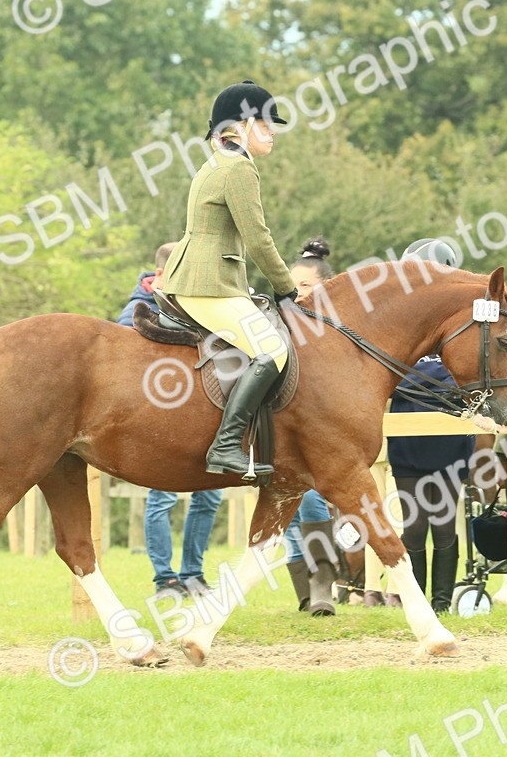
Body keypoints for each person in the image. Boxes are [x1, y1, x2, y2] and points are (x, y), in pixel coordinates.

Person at [163, 80, 298, 478]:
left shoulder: (220, 161)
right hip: (206, 283)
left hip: (205, 276)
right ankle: (225, 445)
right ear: (240, 124)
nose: (273, 131)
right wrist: (287, 288)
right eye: (265, 123)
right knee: (273, 349)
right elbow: (258, 237)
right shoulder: (239, 168)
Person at [117, 242, 224, 597]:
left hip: (202, 414)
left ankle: (193, 574)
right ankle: (165, 579)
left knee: (209, 498)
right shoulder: (139, 307)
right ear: (162, 274)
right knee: (161, 497)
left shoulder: (194, 302)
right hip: (161, 420)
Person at [384, 239, 474, 613]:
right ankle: (417, 602)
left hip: (450, 439)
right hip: (407, 439)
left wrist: (416, 378)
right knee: (415, 526)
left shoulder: (456, 313)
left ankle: (441, 602)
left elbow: (462, 375)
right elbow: (389, 374)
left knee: (444, 526)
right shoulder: (398, 316)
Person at [281, 239, 339, 615]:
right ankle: (305, 592)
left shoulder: (335, 325)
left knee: (312, 497)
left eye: (305, 285)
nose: (296, 292)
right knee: (287, 504)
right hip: (284, 424)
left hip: (320, 426)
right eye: (293, 285)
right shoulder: (280, 320)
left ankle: (322, 582)